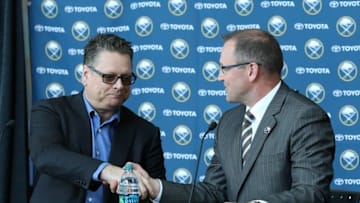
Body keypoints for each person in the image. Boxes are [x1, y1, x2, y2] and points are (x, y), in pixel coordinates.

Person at [134, 29, 335, 203]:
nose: (219, 76)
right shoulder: (228, 122)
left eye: (224, 68)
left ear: (251, 70)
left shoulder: (304, 118)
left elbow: (312, 193)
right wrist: (156, 187)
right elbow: (213, 192)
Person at [29, 33, 166, 203]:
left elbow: (154, 194)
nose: (119, 86)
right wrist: (106, 170)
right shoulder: (51, 111)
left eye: (126, 78)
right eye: (109, 77)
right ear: (85, 75)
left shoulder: (146, 132)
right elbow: (46, 155)